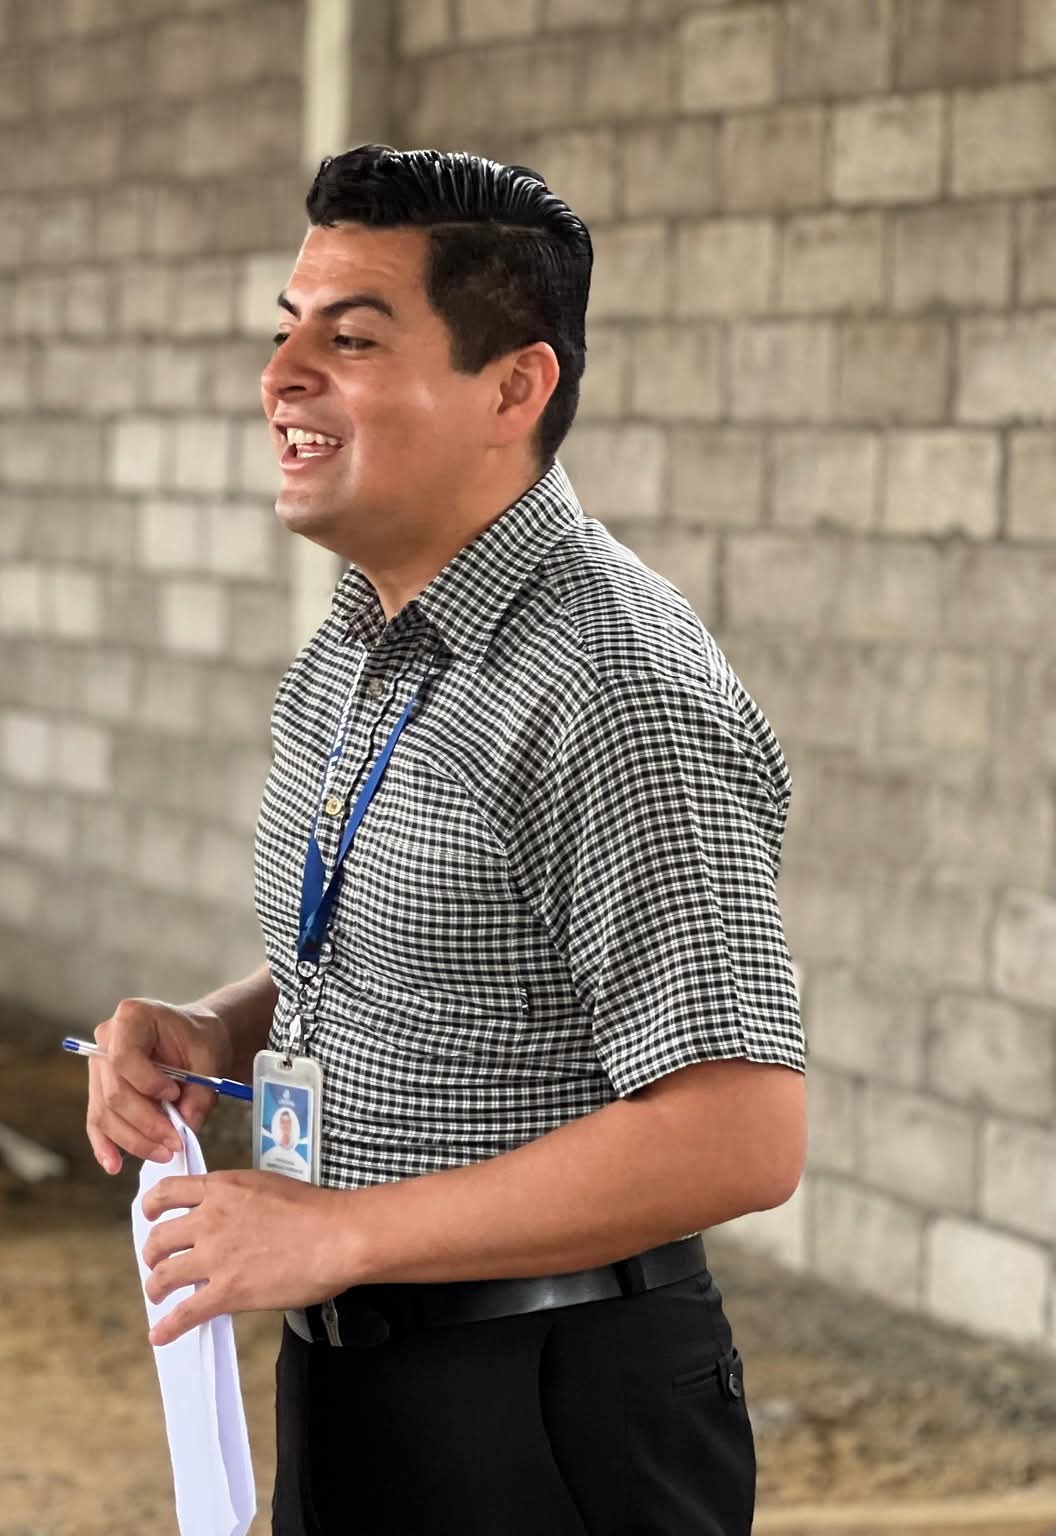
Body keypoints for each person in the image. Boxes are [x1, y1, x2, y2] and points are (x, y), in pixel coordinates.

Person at [84, 146, 804, 1535]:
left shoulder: (612, 683)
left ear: (514, 388)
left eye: (349, 339)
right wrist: (218, 1029)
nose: (282, 376)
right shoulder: (361, 639)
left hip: (545, 1406)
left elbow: (740, 1130)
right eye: (285, 330)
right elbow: (422, 948)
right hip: (352, 1366)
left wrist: (340, 1231)